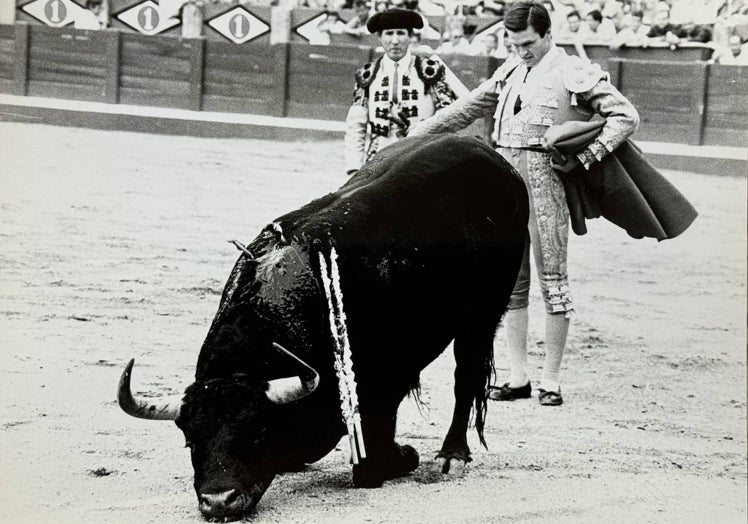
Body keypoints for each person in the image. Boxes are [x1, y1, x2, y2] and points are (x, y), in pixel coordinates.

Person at [409, 0, 639, 406]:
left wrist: (586, 157)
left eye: (529, 43)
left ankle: (551, 380)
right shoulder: (511, 69)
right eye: (515, 44)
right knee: (510, 286)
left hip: (546, 185)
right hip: (503, 188)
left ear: (549, 35)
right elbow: (466, 109)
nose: (522, 51)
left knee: (553, 282)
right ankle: (519, 377)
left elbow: (625, 116)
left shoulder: (572, 70)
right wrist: (416, 138)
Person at [344, 8, 469, 175]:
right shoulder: (366, 74)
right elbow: (356, 125)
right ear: (379, 37)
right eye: (389, 33)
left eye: (401, 33)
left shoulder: (430, 70)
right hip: (377, 163)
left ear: (410, 36)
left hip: (422, 161)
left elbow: (447, 117)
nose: (395, 40)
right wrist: (354, 168)